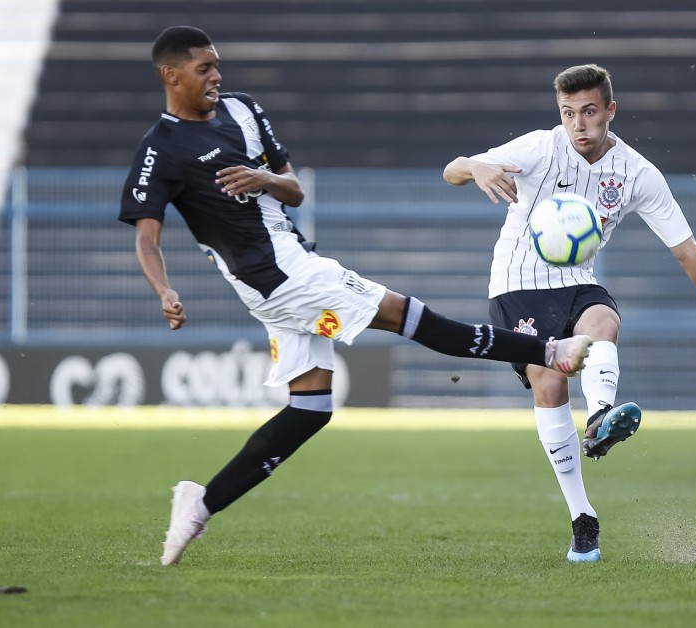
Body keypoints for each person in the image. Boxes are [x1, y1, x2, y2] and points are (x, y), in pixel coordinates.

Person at [119, 26, 594, 566]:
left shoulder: (243, 110)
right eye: (204, 68)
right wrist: (164, 290)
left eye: (217, 65)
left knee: (310, 408)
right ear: (170, 74)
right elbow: (146, 237)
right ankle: (549, 352)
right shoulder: (161, 148)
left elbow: (293, 188)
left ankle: (200, 503)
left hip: (289, 267)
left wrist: (263, 179)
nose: (216, 76)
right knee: (408, 316)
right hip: (283, 277)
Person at [443, 63, 696, 563]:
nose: (579, 125)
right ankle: (582, 518)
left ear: (611, 111)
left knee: (603, 322)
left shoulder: (637, 173)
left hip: (576, 282)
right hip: (517, 284)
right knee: (551, 384)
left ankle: (600, 418)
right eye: (568, 113)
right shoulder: (538, 149)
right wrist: (475, 165)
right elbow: (452, 170)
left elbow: (688, 252)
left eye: (589, 112)